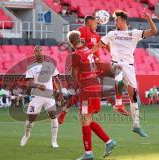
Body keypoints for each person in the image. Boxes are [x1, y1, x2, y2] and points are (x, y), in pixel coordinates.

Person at [92, 10, 158, 137]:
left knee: (133, 97)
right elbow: (98, 45)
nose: (115, 22)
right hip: (115, 64)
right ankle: (118, 103)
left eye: (116, 19)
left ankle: (136, 125)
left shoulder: (134, 33)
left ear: (123, 20)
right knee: (119, 69)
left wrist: (149, 19)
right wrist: (87, 53)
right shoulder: (112, 33)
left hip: (129, 66)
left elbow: (154, 31)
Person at [67, 30, 115, 160]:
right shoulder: (88, 50)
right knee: (88, 119)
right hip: (96, 86)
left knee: (84, 120)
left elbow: (74, 75)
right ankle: (108, 142)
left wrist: (74, 88)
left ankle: (88, 153)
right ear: (80, 39)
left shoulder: (76, 54)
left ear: (71, 43)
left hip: (87, 89)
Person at [20, 46, 63, 148]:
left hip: (49, 96)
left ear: (43, 52)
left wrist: (60, 92)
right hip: (36, 96)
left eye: (40, 51)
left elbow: (56, 80)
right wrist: (38, 85)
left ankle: (54, 141)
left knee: (53, 115)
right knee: (31, 119)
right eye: (36, 51)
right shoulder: (31, 67)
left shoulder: (50, 65)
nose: (39, 53)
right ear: (34, 53)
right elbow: (29, 83)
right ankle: (26, 135)